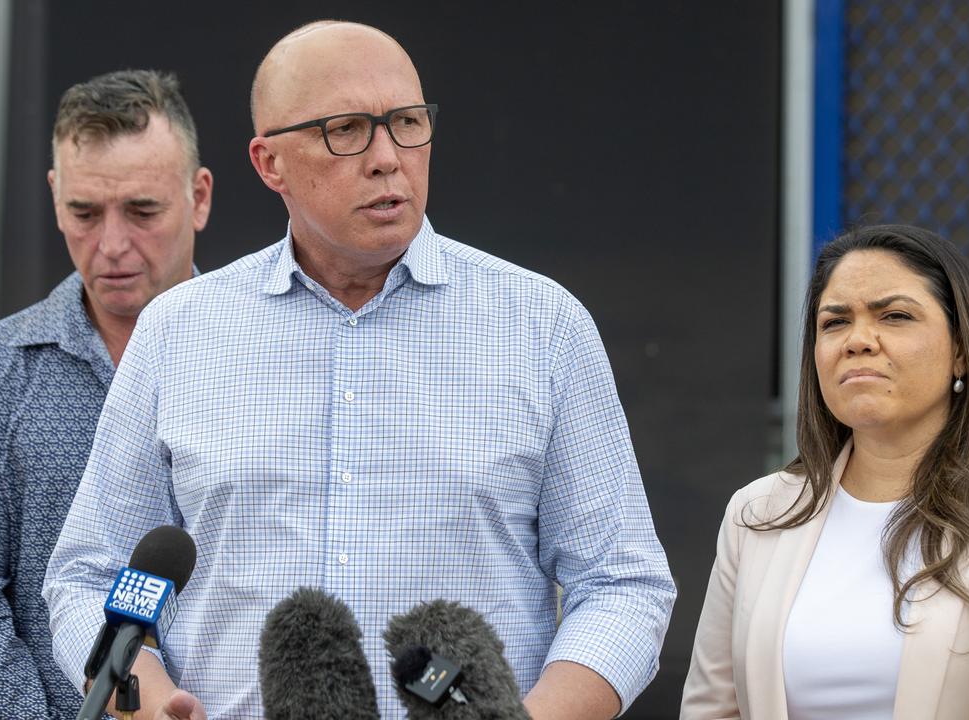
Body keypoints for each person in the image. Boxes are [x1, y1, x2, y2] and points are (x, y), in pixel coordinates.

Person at [43, 21, 674, 720]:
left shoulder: (542, 326)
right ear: (269, 162)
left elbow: (623, 586)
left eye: (406, 123)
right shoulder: (179, 331)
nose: (386, 158)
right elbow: (89, 576)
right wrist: (149, 702)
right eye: (346, 129)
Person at [0, 69, 213, 719]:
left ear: (198, 197)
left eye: (142, 211)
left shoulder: (261, 357)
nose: (111, 245)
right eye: (85, 213)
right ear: (56, 199)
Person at [681, 225, 969, 720]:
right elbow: (713, 708)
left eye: (895, 316)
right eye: (834, 323)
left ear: (961, 350)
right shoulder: (759, 513)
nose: (858, 340)